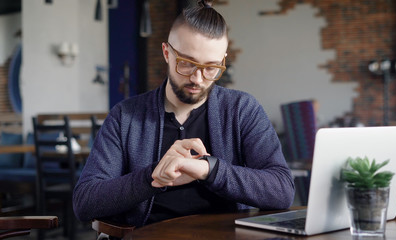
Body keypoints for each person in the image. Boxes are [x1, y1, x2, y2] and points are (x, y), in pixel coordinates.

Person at [73, 0, 295, 227]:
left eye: (211, 67)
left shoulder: (242, 109)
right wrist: (154, 176)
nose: (198, 79)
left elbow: (282, 190)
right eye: (187, 63)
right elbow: (85, 202)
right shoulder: (125, 116)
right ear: (166, 52)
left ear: (223, 61)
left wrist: (210, 169)